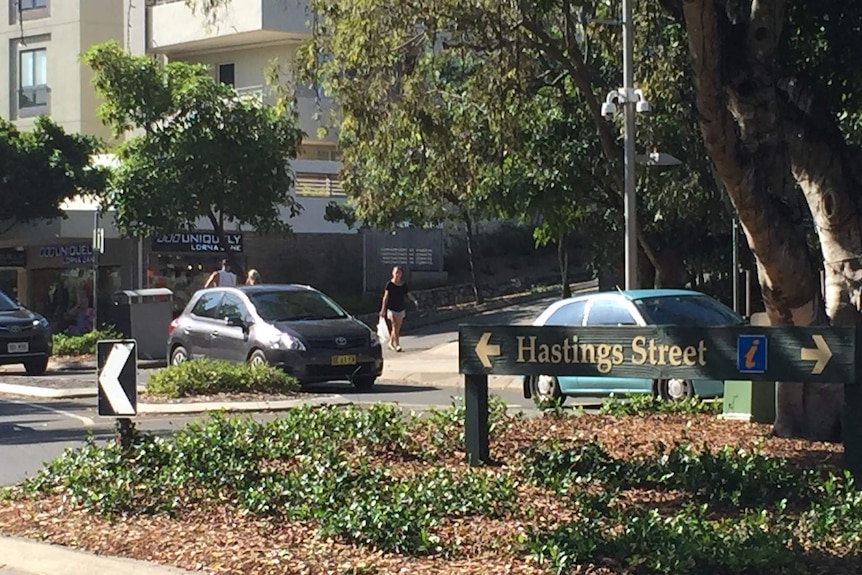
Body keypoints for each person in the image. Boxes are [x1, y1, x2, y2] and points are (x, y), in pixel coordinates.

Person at [379, 266, 416, 352]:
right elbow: (385, 297)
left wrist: (414, 300)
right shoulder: (389, 284)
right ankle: (398, 345)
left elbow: (408, 294)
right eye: (396, 273)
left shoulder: (403, 285)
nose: (397, 275)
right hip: (391, 308)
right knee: (395, 325)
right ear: (393, 273)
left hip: (401, 308)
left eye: (399, 273)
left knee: (397, 328)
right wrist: (383, 309)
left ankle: (391, 343)